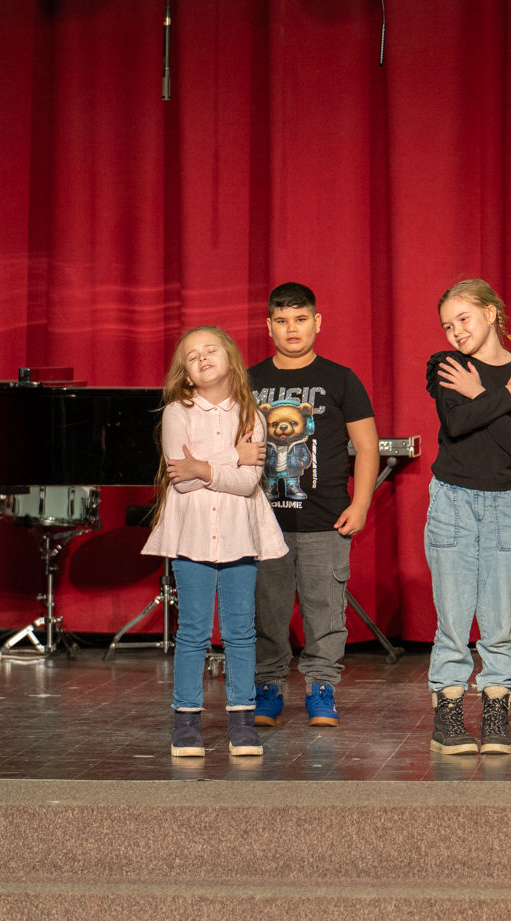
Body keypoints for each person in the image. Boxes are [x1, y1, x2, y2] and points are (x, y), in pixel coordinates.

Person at [142, 326, 288, 757]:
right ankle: (186, 722)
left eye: (210, 350)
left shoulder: (251, 414)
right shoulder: (177, 412)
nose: (202, 358)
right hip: (191, 537)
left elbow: (246, 483)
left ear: (230, 359)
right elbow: (181, 480)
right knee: (193, 631)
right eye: (192, 356)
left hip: (239, 534)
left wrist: (203, 467)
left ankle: (242, 722)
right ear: (185, 373)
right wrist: (229, 458)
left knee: (241, 632)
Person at [425, 279, 511, 755]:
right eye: (447, 325)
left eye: (464, 319)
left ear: (492, 313)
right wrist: (503, 396)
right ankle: (449, 712)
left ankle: (496, 708)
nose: (455, 331)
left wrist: (481, 392)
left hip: (502, 504)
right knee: (454, 618)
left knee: (498, 620)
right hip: (452, 500)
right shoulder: (446, 365)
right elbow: (456, 423)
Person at [248, 283, 378, 729]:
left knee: (325, 611)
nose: (292, 329)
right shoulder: (249, 381)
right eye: (282, 321)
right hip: (264, 523)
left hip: (326, 521)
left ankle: (321, 687)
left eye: (301, 319)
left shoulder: (341, 379)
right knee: (266, 610)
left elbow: (367, 447)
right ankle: (267, 686)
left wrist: (361, 504)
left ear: (317, 322)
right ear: (269, 326)